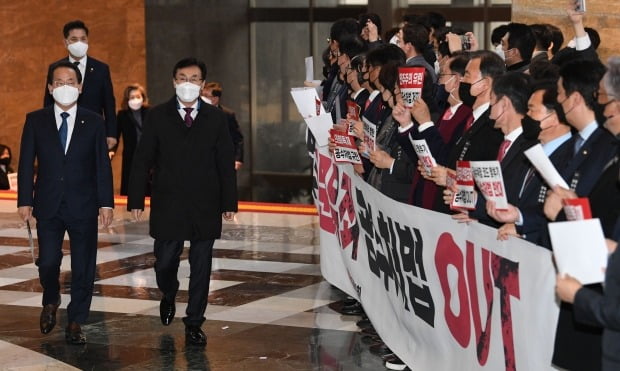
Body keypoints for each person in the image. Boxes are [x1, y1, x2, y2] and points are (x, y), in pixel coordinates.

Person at [127, 57, 238, 346]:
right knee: (165, 262)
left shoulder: (216, 118)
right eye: (182, 78)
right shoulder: (158, 115)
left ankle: (194, 322)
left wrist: (229, 202)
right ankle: (168, 292)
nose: (187, 83)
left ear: (202, 83)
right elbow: (142, 160)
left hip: (205, 203)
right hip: (168, 202)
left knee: (202, 265)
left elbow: (225, 162)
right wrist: (136, 198)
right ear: (174, 81)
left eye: (194, 78)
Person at [18, 61, 114, 345]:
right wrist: (25, 200)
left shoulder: (94, 121)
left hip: (83, 203)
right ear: (49, 88)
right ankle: (51, 298)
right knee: (47, 261)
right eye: (58, 83)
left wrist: (106, 202)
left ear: (80, 87)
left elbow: (101, 165)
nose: (64, 87)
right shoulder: (36, 119)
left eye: (70, 82)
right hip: (47, 203)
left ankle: (76, 320)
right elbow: (25, 164)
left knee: (84, 265)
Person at [44, 20, 117, 150]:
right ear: (65, 42)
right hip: (64, 128)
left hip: (93, 128)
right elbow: (48, 101)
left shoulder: (101, 69)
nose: (79, 43)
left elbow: (109, 103)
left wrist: (111, 133)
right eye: (74, 39)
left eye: (83, 39)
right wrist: (48, 131)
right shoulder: (55, 68)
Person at [111, 84, 151, 195]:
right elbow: (115, 137)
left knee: (149, 184)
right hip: (131, 155)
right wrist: (111, 152)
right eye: (132, 97)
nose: (135, 100)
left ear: (143, 97)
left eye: (138, 96)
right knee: (130, 184)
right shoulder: (122, 115)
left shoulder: (150, 112)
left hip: (149, 154)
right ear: (127, 99)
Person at [201, 82, 244, 170]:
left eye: (206, 96)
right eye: (202, 95)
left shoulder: (227, 114)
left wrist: (238, 159)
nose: (202, 98)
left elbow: (237, 138)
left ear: (215, 98)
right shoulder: (195, 113)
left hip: (222, 160)